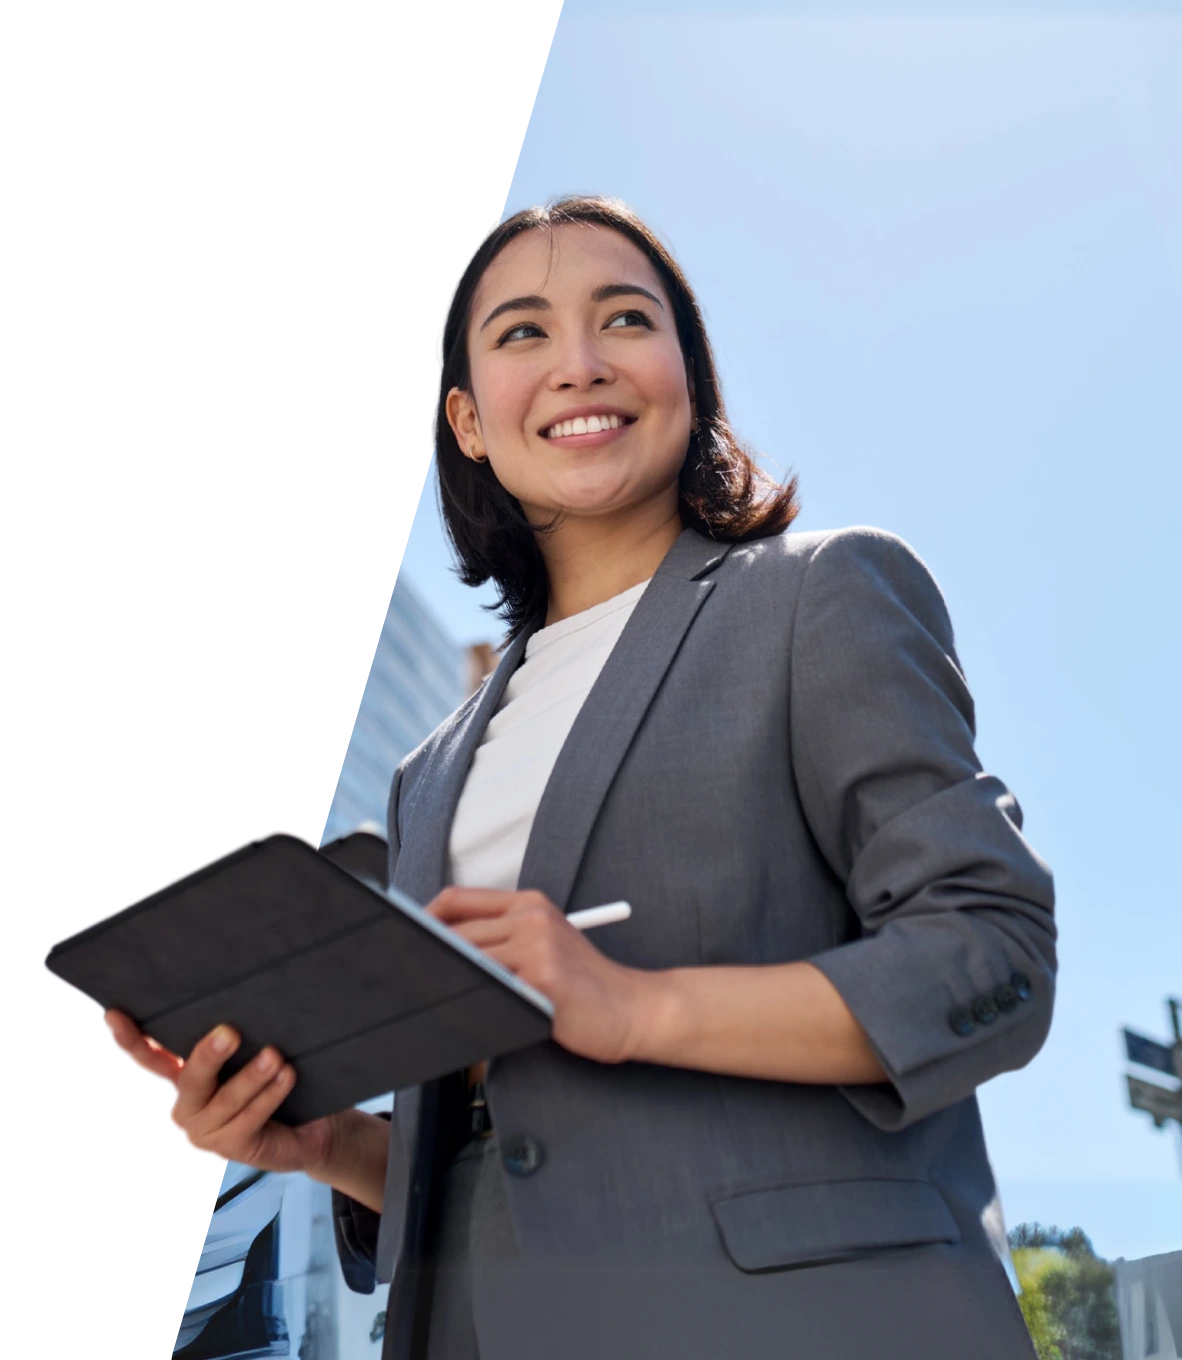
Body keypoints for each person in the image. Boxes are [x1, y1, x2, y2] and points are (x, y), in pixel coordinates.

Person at [105, 194, 1057, 1360]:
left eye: (624, 319)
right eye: (521, 333)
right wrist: (325, 1147)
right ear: (466, 418)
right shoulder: (429, 772)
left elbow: (992, 957)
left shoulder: (819, 595)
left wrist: (636, 1002)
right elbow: (504, 1143)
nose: (581, 364)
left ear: (688, 378)